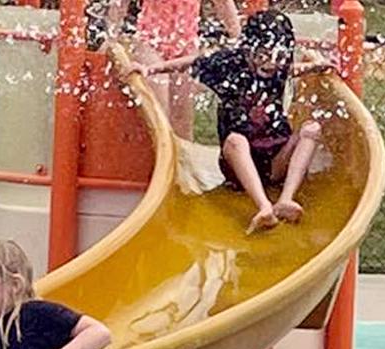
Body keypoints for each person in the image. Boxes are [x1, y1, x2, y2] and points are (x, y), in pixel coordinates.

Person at [137, 10, 336, 232]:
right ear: (248, 48)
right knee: (236, 140)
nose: (270, 63)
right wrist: (150, 69)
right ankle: (263, 207)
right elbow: (191, 62)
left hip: (276, 163)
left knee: (312, 128)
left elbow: (291, 70)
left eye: (277, 56)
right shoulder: (229, 66)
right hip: (239, 167)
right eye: (262, 55)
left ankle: (285, 200)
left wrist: (315, 66)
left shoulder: (278, 68)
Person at [100, 0, 243, 137]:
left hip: (186, 46)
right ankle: (155, 154)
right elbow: (121, 3)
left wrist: (238, 39)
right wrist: (111, 36)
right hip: (151, 42)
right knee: (159, 111)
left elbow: (223, 3)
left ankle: (183, 160)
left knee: (182, 118)